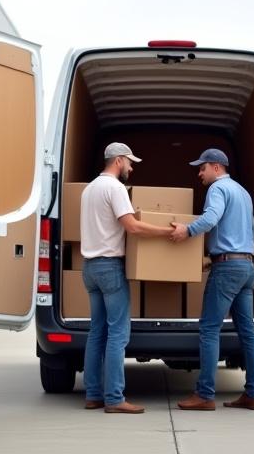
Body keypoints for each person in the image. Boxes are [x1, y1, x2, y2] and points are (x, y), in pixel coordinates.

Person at [80, 142, 174, 414]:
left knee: (97, 332)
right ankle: (114, 398)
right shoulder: (115, 188)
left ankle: (93, 395)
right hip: (109, 267)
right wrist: (165, 232)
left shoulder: (89, 189)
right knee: (118, 335)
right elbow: (131, 226)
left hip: (90, 268)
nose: (131, 168)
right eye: (130, 163)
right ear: (119, 160)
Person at [170, 148, 254, 411]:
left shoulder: (218, 190)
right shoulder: (243, 192)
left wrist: (186, 231)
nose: (199, 173)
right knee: (248, 332)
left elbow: (211, 219)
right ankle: (253, 394)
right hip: (246, 266)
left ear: (216, 167)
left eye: (202, 168)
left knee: (210, 329)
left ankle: (205, 395)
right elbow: (253, 231)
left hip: (228, 270)